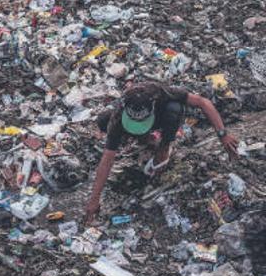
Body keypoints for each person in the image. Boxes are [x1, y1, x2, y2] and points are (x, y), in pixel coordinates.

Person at [84, 82, 239, 224]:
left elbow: (202, 102)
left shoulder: (160, 93)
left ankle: (164, 147)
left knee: (174, 109)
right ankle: (144, 139)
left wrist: (223, 135)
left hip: (161, 117)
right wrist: (94, 199)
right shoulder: (118, 115)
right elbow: (106, 160)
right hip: (134, 124)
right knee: (102, 120)